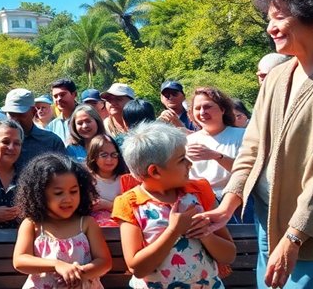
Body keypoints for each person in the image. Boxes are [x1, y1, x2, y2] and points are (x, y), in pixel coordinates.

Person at [205, 0, 313, 289]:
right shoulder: (276, 76)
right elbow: (253, 145)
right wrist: (228, 202)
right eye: (268, 19)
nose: (271, 28)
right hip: (266, 221)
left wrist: (294, 235)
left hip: (312, 238)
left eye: (279, 18)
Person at [113, 122, 235, 288]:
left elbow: (229, 255)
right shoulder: (129, 203)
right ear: (155, 171)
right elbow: (137, 268)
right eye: (181, 159)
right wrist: (174, 230)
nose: (189, 163)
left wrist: (205, 234)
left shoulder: (199, 191)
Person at [13, 154, 111, 289]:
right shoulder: (32, 224)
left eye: (73, 191)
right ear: (39, 194)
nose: (68, 199)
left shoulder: (87, 223)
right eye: (59, 193)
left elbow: (104, 262)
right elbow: (20, 260)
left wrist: (78, 274)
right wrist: (57, 265)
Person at [185, 87, 246, 203]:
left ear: (222, 109)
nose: (202, 112)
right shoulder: (188, 141)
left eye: (207, 107)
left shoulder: (242, 136)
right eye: (197, 108)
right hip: (197, 201)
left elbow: (246, 172)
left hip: (233, 200)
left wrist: (217, 156)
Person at [2, 88, 66, 170]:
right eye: (12, 115)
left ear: (33, 112)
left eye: (21, 115)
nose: (16, 120)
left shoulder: (51, 142)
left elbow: (63, 175)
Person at [85, 134, 129, 227]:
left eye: (114, 155)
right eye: (104, 155)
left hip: (120, 227)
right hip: (93, 227)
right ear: (94, 156)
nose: (110, 159)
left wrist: (108, 205)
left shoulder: (126, 179)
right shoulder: (87, 179)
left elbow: (131, 209)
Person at [44, 78, 79, 143]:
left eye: (62, 94)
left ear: (74, 94)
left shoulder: (86, 119)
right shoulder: (52, 126)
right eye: (55, 96)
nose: (59, 99)